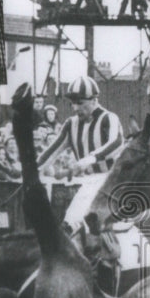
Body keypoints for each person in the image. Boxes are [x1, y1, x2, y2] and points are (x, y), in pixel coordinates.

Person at [38, 76, 124, 233]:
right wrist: (32, 169)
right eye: (73, 103)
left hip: (111, 179)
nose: (75, 108)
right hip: (89, 181)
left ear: (94, 100)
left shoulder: (109, 118)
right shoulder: (71, 124)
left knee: (77, 222)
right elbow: (52, 150)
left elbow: (117, 142)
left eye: (80, 103)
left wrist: (89, 159)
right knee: (70, 225)